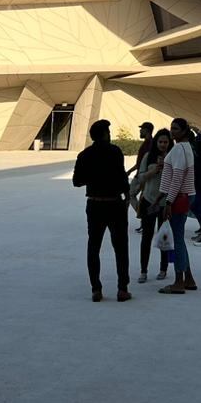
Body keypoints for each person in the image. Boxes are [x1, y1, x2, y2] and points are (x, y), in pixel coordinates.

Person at [71, 119, 132, 303]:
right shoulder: (115, 152)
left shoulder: (84, 155)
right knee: (121, 248)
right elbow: (122, 178)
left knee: (94, 247)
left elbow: (77, 181)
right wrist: (127, 196)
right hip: (115, 204)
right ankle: (122, 289)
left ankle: (96, 289)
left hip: (95, 204)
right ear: (105, 134)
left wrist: (93, 176)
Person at [157, 117, 198, 294]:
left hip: (178, 197)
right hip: (184, 196)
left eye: (176, 129)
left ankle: (178, 281)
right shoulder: (185, 147)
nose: (172, 131)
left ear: (183, 131)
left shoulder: (179, 149)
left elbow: (177, 178)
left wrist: (168, 202)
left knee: (177, 241)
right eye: (171, 128)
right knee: (179, 238)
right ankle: (188, 278)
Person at [132, 128, 172, 283]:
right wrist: (153, 171)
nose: (163, 145)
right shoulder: (149, 157)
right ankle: (143, 270)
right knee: (146, 237)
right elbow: (141, 177)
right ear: (156, 142)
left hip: (165, 203)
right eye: (160, 142)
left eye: (166, 142)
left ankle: (163, 269)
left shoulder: (172, 157)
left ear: (170, 143)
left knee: (164, 236)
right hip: (149, 200)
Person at [127, 122, 154, 233]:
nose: (140, 131)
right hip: (140, 174)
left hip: (142, 176)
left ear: (147, 130)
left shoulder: (149, 144)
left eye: (141, 129)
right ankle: (144, 219)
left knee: (132, 195)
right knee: (132, 195)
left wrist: (131, 171)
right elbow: (139, 163)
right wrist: (130, 171)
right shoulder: (147, 143)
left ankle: (144, 218)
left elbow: (145, 163)